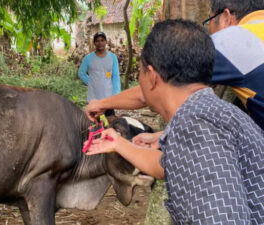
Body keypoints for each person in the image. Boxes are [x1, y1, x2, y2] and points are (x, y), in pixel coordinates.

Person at [86, 19, 264, 224]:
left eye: (140, 72)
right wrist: (119, 144)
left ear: (152, 76)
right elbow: (171, 165)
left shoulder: (196, 127)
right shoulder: (216, 113)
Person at [85, 0, 264, 130]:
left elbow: (156, 88)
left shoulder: (232, 41)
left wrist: (102, 103)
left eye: (209, 21)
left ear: (225, 16)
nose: (210, 31)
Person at [78, 32, 121, 117]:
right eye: (97, 41)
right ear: (94, 43)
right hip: (94, 99)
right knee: (95, 124)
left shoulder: (112, 57)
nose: (100, 43)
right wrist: (91, 82)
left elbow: (115, 76)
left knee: (110, 122)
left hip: (108, 99)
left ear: (106, 42)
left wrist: (116, 94)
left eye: (102, 40)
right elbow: (81, 73)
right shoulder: (88, 58)